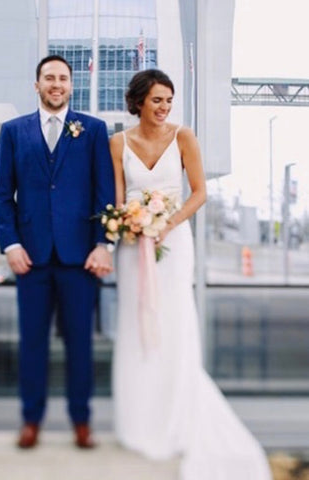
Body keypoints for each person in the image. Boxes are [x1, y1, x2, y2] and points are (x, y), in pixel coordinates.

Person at [109, 69, 272, 479]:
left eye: (169, 100)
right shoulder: (116, 143)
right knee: (135, 325)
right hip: (132, 247)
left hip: (174, 243)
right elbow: (114, 199)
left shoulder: (184, 137)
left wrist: (167, 224)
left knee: (174, 323)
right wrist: (124, 223)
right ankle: (138, 420)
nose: (164, 108)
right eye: (156, 100)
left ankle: (176, 414)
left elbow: (200, 192)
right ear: (139, 102)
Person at [0, 55, 115, 449]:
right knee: (33, 343)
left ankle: (81, 421)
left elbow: (104, 193)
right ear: (37, 85)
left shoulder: (94, 130)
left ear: (71, 84)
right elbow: (2, 196)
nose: (56, 84)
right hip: (30, 258)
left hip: (80, 258)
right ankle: (31, 420)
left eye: (63, 78)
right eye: (49, 78)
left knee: (80, 342)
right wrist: (10, 244)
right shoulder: (13, 132)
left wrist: (103, 243)